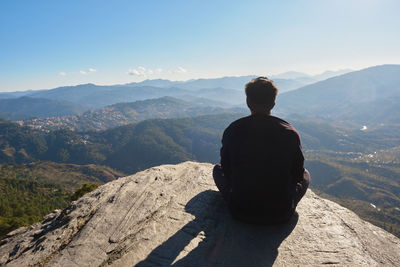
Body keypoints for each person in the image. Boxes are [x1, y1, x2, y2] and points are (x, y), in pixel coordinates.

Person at [213, 77, 310, 224]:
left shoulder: (233, 129)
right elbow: (297, 175)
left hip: (240, 210)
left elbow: (226, 170)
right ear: (273, 103)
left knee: (217, 169)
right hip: (281, 212)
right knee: (306, 174)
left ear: (247, 101)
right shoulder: (289, 132)